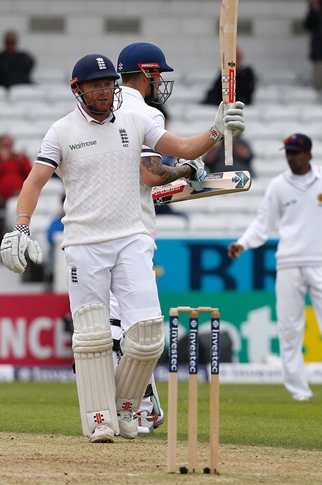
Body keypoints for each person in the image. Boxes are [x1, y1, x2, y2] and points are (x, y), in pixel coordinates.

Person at [0, 52, 245, 443]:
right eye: (94, 85)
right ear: (76, 89)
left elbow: (181, 147)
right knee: (93, 337)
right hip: (83, 242)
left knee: (148, 334)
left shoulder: (136, 118)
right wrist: (20, 227)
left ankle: (128, 405)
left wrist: (215, 131)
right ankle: (100, 418)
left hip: (132, 237)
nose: (103, 91)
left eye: (108, 83)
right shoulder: (61, 131)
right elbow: (34, 182)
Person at [227, 133, 322, 403]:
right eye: (288, 153)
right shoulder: (279, 185)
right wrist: (243, 244)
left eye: (296, 153)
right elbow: (262, 224)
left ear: (309, 154)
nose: (291, 157)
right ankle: (299, 391)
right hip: (289, 263)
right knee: (290, 329)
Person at [114, 41, 206, 435]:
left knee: (111, 331)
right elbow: (151, 174)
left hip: (94, 232)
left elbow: (132, 180)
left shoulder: (100, 109)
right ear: (147, 73)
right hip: (131, 237)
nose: (160, 83)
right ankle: (137, 407)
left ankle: (138, 408)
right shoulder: (143, 110)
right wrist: (186, 169)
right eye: (158, 75)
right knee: (141, 330)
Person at [0, 135, 32, 243]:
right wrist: (1, 162)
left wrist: (22, 161)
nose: (7, 148)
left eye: (9, 145)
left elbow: (30, 176)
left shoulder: (18, 158)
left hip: (16, 196)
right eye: (5, 145)